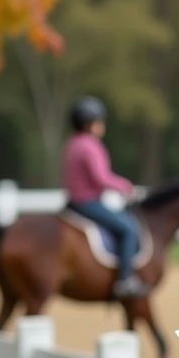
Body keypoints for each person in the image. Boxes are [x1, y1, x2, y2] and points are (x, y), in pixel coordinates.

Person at [61, 96, 150, 299]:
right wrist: (126, 187)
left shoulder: (71, 144)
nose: (102, 125)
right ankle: (124, 280)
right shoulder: (91, 146)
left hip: (72, 203)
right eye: (99, 121)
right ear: (89, 123)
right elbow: (101, 178)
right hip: (88, 202)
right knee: (128, 230)